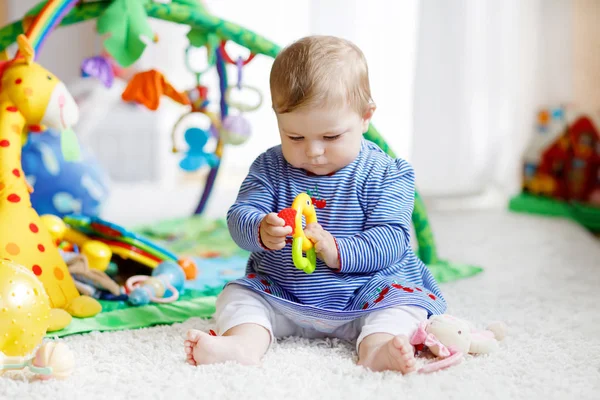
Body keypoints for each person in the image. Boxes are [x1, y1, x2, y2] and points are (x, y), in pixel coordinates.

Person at [184, 35, 446, 374]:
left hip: (369, 293)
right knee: (237, 294)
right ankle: (243, 344)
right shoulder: (270, 167)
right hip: (285, 293)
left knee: (405, 306)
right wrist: (260, 228)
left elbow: (392, 239)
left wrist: (336, 249)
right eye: (295, 137)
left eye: (331, 137)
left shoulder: (386, 174)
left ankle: (378, 348)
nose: (313, 151)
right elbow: (239, 216)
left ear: (366, 117)